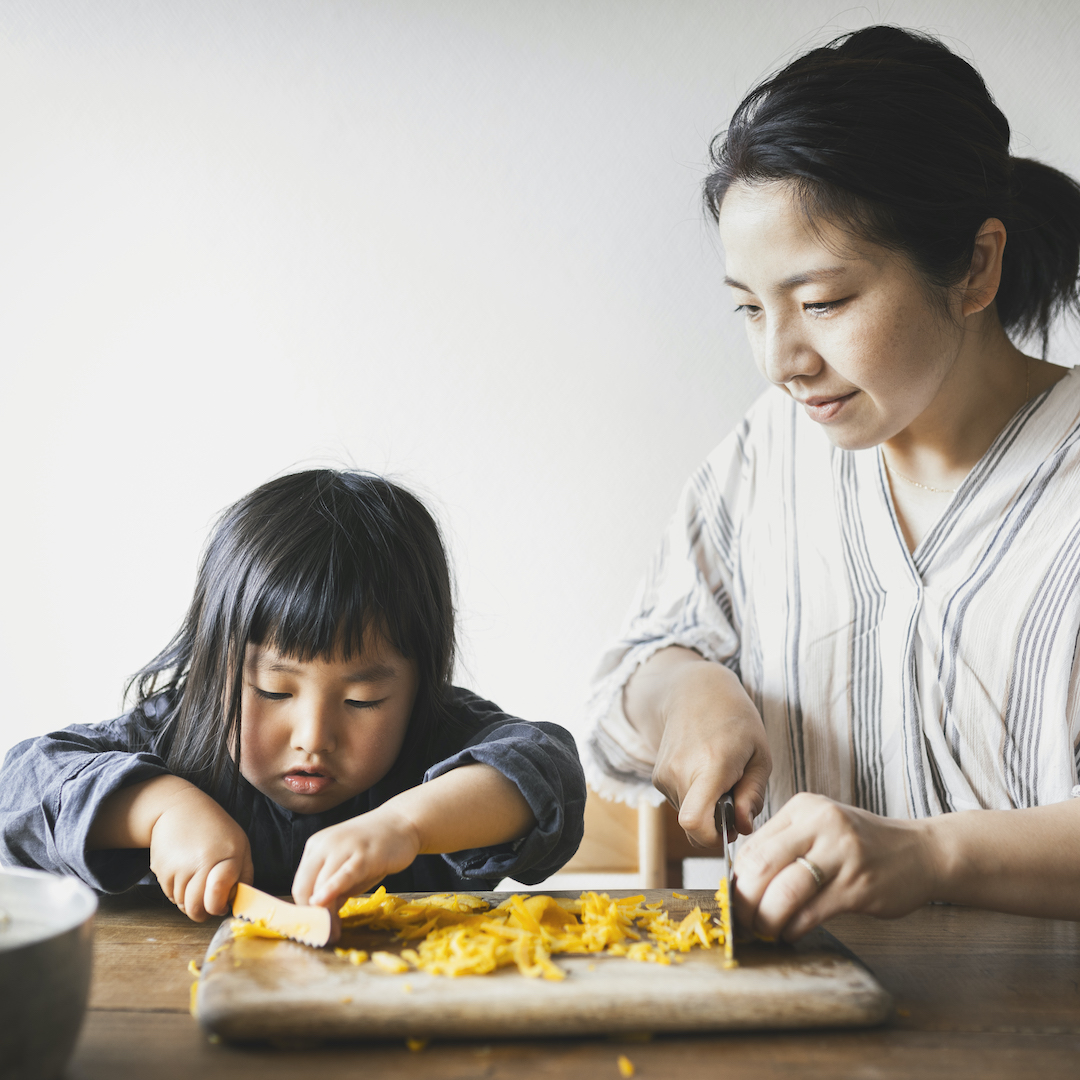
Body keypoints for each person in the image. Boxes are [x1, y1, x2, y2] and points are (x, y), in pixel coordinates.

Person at [585, 25, 1080, 941]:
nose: (781, 360)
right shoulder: (770, 452)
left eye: (823, 303)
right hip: (802, 1025)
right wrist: (687, 690)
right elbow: (632, 678)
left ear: (975, 265)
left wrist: (932, 855)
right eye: (749, 308)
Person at [1, 470, 585, 924]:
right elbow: (18, 790)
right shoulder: (174, 737)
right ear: (212, 669)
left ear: (420, 683)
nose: (312, 736)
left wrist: (405, 826)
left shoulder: (439, 739)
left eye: (363, 701)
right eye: (273, 689)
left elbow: (547, 771)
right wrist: (159, 811)